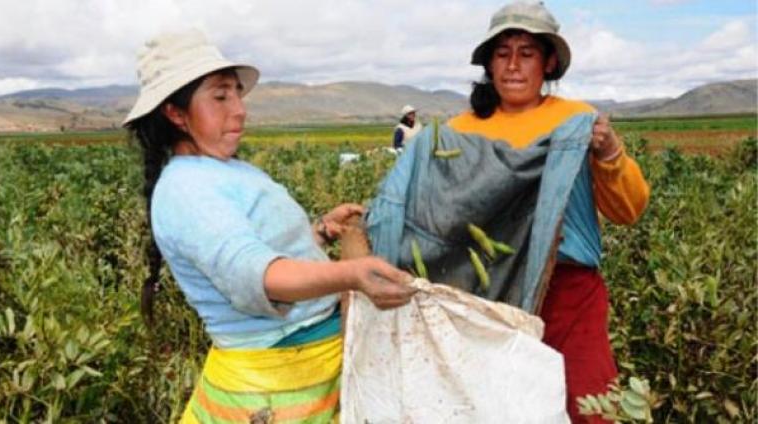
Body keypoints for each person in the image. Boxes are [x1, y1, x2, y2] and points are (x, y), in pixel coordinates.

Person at [123, 29, 416, 423]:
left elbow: (262, 249)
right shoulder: (186, 190)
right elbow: (257, 276)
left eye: (237, 94)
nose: (239, 109)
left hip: (301, 367)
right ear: (176, 114)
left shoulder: (220, 169)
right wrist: (351, 273)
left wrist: (319, 231)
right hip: (273, 386)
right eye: (220, 96)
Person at [447, 2, 650, 423]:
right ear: (489, 64)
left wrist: (610, 152)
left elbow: (628, 210)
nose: (514, 66)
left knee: (590, 402)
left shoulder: (577, 121)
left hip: (569, 291)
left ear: (549, 62)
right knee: (500, 405)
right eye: (502, 54)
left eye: (527, 53)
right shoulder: (460, 131)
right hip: (490, 294)